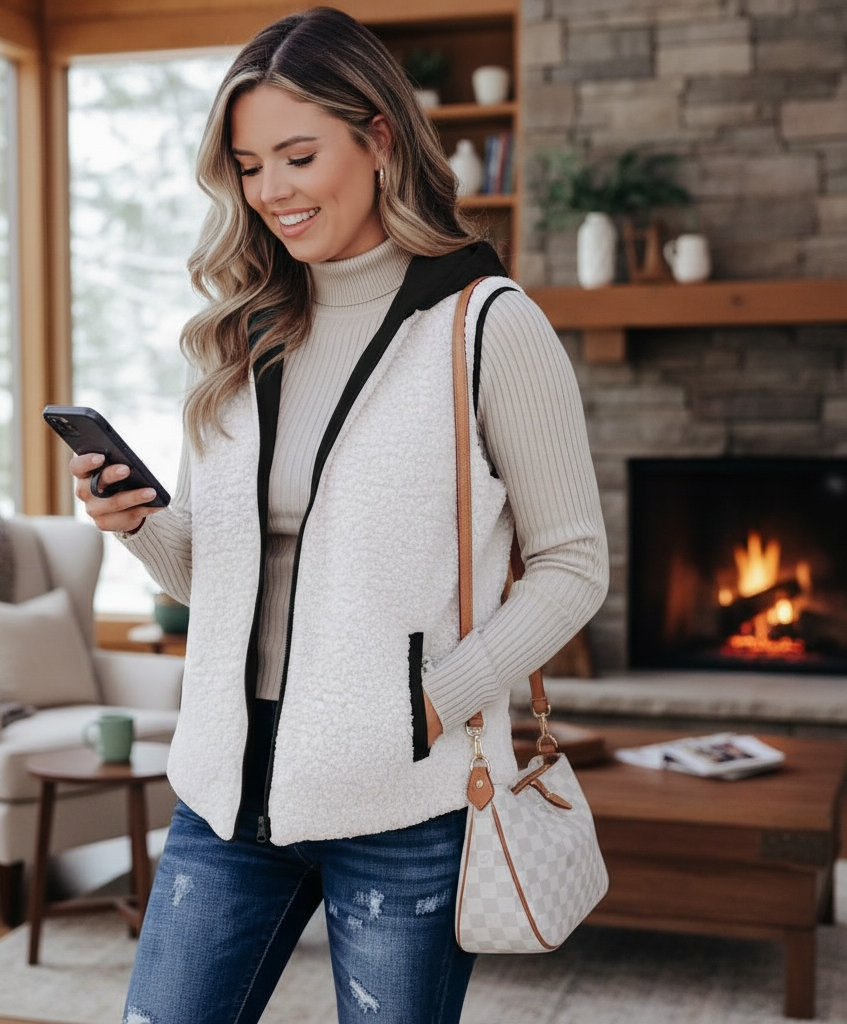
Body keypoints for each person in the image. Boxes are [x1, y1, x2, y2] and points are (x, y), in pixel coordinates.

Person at [70, 7, 608, 1023]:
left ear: (380, 139)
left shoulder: (487, 325)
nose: (270, 190)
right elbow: (220, 577)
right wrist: (138, 522)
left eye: (296, 154)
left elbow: (574, 562)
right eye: (246, 164)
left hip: (400, 802)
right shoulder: (243, 333)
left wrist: (433, 701)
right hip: (224, 793)